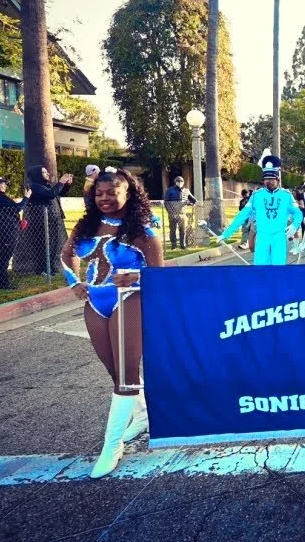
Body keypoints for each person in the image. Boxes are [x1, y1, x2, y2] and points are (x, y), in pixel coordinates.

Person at [61, 168, 165, 478]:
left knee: (127, 375)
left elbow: (160, 276)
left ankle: (112, 445)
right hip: (95, 301)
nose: (104, 198)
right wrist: (73, 283)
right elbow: (66, 256)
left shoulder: (143, 232)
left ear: (128, 194)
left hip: (130, 299)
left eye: (112, 193)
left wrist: (135, 275)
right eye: (99, 193)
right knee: (114, 371)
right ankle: (143, 415)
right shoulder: (87, 225)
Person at [217, 153, 302, 265]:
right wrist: (226, 234)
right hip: (262, 237)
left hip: (279, 237)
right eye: (266, 179)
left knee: (279, 268)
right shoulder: (256, 196)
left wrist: (295, 225)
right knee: (260, 268)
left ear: (277, 179)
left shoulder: (286, 195)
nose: (268, 181)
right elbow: (243, 215)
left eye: (271, 178)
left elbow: (298, 213)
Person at [21, 166, 73, 275]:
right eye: (44, 172)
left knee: (53, 245)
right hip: (41, 221)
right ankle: (43, 269)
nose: (47, 174)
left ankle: (50, 267)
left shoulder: (45, 185)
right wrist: (61, 182)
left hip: (51, 220)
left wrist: (66, 184)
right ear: (37, 175)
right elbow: (50, 194)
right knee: (43, 246)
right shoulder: (34, 186)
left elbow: (58, 192)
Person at [0, 175, 28, 289]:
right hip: (6, 231)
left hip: (4, 230)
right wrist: (26, 197)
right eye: (1, 183)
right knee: (4, 257)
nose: (4, 185)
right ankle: (3, 284)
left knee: (2, 256)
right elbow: (18, 207)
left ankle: (0, 282)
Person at [163, 176, 197, 250]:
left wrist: (190, 203)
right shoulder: (170, 190)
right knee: (173, 230)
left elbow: (194, 200)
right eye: (178, 181)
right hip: (172, 214)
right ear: (175, 182)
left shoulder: (186, 191)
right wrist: (171, 213)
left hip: (182, 213)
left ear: (183, 182)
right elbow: (166, 203)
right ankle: (174, 245)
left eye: (181, 181)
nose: (180, 182)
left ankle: (183, 245)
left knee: (183, 230)